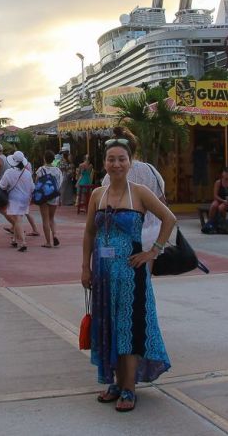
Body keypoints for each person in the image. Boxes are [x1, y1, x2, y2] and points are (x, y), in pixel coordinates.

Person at [81, 133, 175, 412]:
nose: (116, 164)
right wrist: (85, 267)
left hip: (131, 275)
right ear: (104, 163)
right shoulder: (97, 194)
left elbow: (169, 218)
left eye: (122, 159)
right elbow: (89, 233)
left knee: (128, 328)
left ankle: (129, 388)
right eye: (111, 159)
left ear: (130, 162)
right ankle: (115, 383)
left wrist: (153, 252)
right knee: (108, 326)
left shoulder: (140, 192)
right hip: (102, 275)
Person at [100, 126, 167, 250]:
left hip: (122, 236)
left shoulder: (109, 176)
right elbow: (163, 204)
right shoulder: (151, 170)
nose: (117, 164)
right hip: (152, 234)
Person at [0, 150, 35, 251]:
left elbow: (2, 185)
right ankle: (14, 239)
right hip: (25, 198)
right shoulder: (27, 173)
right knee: (19, 219)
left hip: (14, 198)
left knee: (17, 220)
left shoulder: (9, 172)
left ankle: (23, 242)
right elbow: (32, 187)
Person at [36, 149, 63, 248]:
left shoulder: (41, 170)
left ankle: (48, 242)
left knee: (45, 219)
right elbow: (60, 183)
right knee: (51, 218)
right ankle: (54, 234)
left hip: (43, 197)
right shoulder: (58, 170)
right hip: (54, 196)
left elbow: (37, 182)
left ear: (44, 158)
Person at [207, 167, 228, 232]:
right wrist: (222, 200)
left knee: (221, 208)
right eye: (225, 172)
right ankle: (210, 223)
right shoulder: (218, 182)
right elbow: (215, 195)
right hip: (220, 199)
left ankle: (223, 224)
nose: (226, 174)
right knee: (213, 206)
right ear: (222, 174)